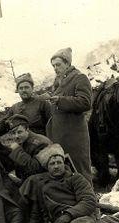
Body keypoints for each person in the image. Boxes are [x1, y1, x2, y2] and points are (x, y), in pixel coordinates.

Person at [46, 47, 93, 183]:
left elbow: (85, 102)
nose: (55, 68)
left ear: (67, 63)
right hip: (59, 136)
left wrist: (60, 100)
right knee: (65, 170)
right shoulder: (58, 82)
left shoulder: (80, 78)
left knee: (80, 168)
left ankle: (89, 199)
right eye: (53, 65)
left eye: (58, 64)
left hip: (74, 136)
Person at [6, 114, 52, 180]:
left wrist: (17, 151)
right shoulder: (23, 141)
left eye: (19, 132)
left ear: (27, 129)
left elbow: (37, 169)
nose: (16, 136)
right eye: (13, 133)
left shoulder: (40, 143)